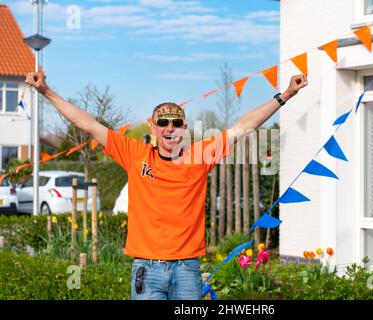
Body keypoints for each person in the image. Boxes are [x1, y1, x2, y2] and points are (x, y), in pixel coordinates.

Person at [25, 71, 308, 300]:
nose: (169, 127)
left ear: (183, 128)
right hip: (146, 269)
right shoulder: (135, 155)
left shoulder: (200, 156)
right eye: (163, 122)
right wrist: (47, 92)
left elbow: (244, 126)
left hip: (187, 269)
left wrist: (285, 95)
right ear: (153, 127)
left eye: (176, 122)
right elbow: (89, 124)